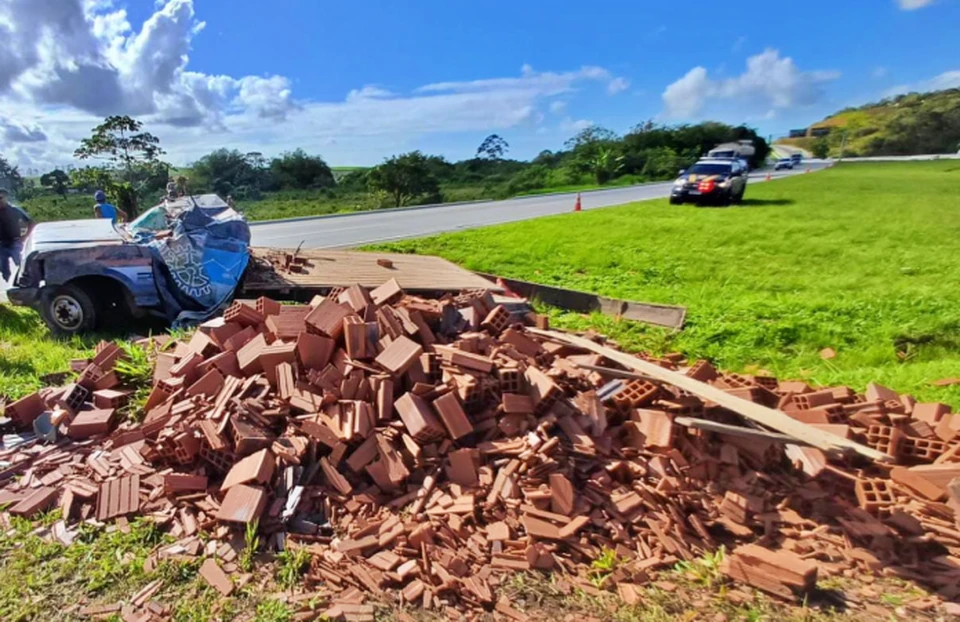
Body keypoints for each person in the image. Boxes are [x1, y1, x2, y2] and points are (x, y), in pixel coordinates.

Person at [0, 188, 33, 284]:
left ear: (6, 198)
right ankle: (9, 286)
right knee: (3, 268)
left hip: (15, 241)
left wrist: (25, 236)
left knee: (21, 264)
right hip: (1, 244)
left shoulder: (14, 210)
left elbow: (30, 222)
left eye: (0, 198)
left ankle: (25, 284)